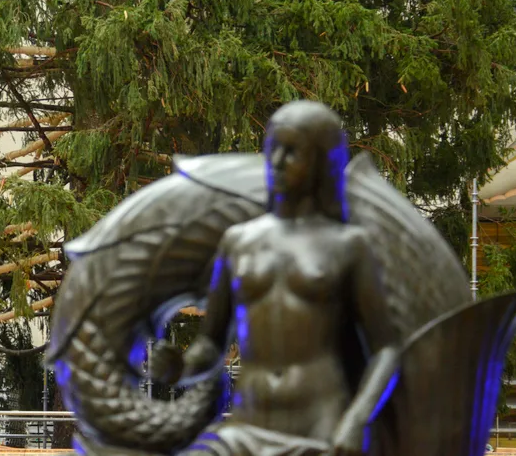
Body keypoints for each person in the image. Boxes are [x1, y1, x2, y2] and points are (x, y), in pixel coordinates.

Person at [152, 101, 400, 454]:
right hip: (247, 424)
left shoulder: (348, 246)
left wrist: (358, 418)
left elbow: (387, 348)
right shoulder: (238, 242)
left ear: (319, 162)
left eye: (292, 152)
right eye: (273, 149)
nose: (277, 162)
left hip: (322, 423)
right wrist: (181, 367)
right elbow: (212, 343)